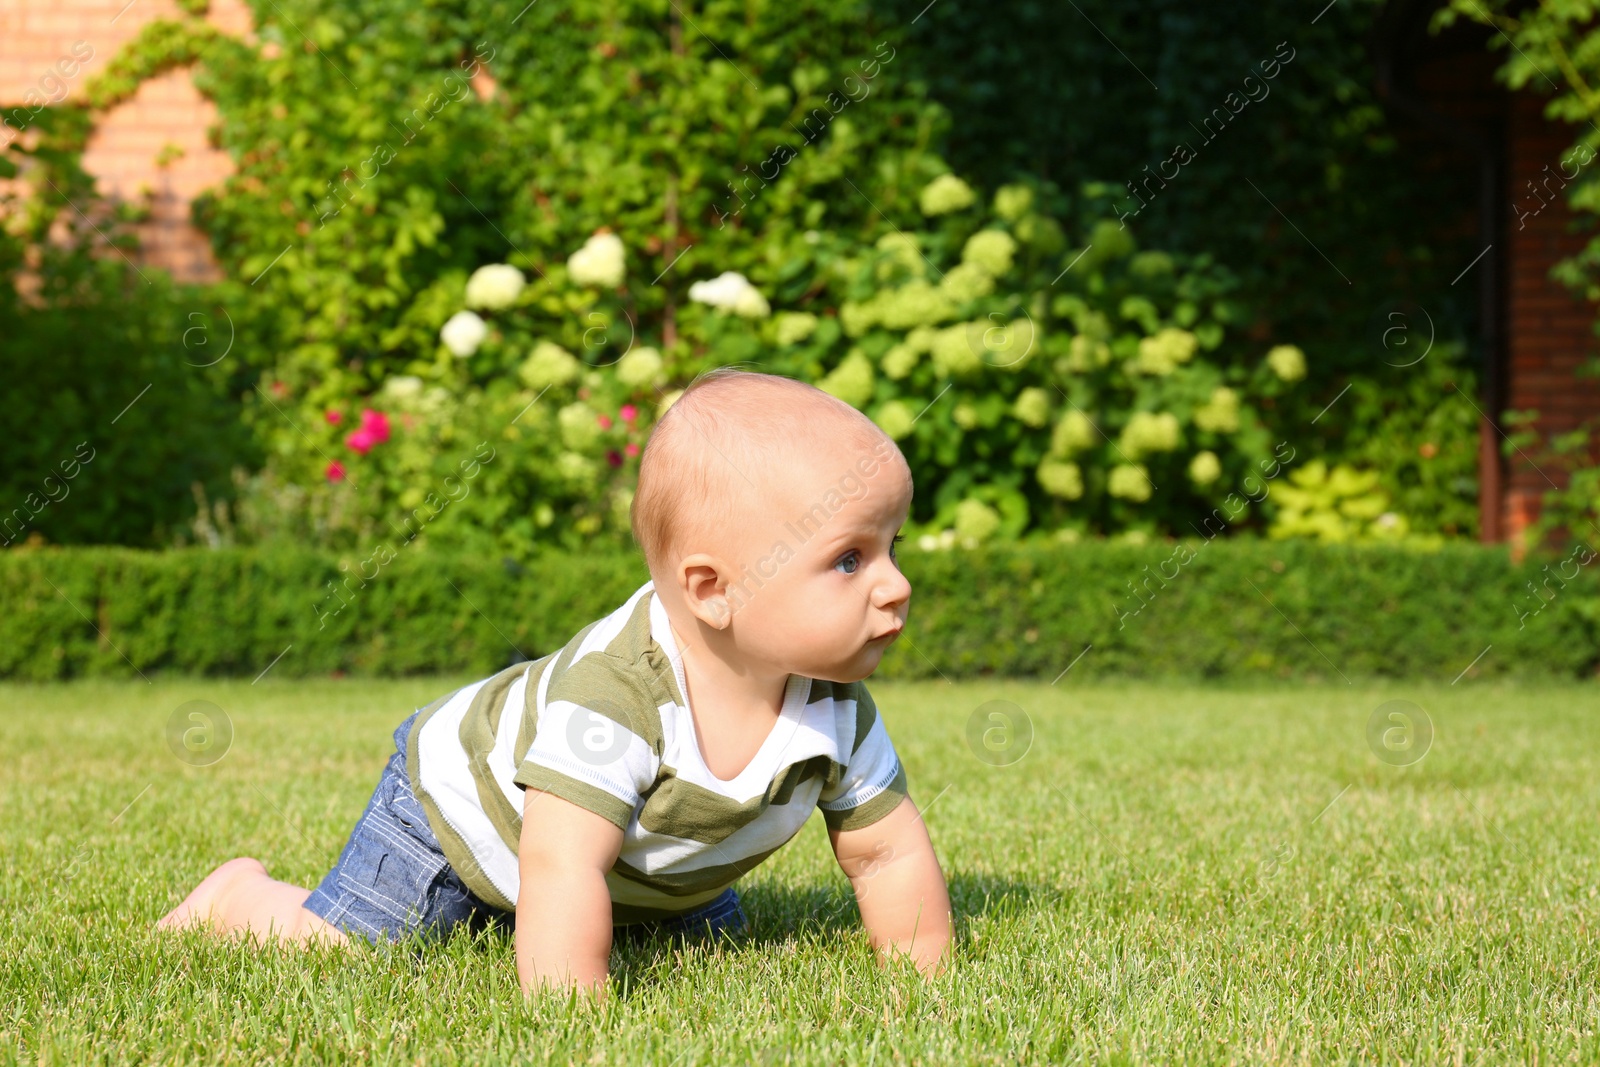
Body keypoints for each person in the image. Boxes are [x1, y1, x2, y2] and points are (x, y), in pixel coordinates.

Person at [157, 366, 953, 997]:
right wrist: (574, 1012)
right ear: (713, 590)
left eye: (893, 546)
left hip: (646, 861)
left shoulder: (837, 708)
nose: (895, 584)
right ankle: (237, 895)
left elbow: (885, 855)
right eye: (850, 559)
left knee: (706, 946)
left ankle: (624, 910)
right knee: (360, 945)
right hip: (472, 813)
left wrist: (923, 981)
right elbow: (559, 861)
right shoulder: (618, 697)